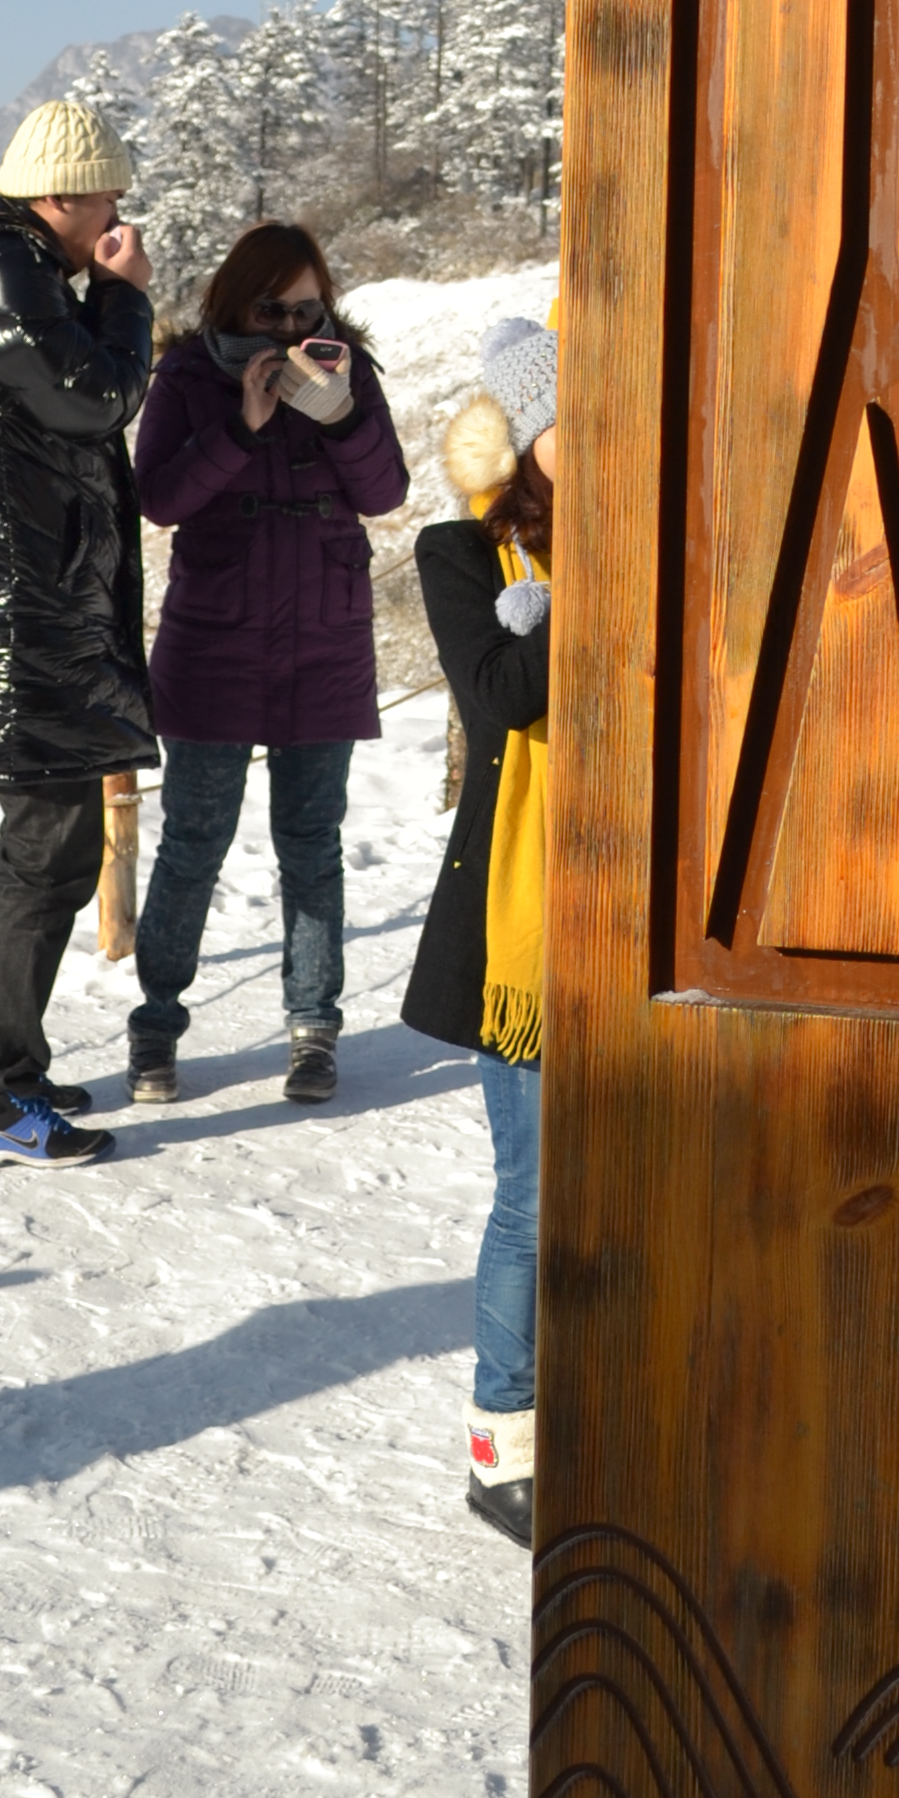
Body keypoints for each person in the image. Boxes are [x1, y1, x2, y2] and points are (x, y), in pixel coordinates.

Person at [0, 96, 156, 1165]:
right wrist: (128, 298)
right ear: (59, 194)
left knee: (52, 841)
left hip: (31, 601)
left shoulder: (8, 269)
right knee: (48, 846)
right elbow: (98, 399)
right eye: (106, 196)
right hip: (18, 613)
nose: (117, 212)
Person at [123, 221, 408, 1110]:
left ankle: (312, 1029)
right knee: (193, 845)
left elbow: (386, 493)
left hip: (325, 638)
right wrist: (243, 429)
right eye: (272, 307)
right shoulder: (189, 375)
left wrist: (344, 417)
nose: (291, 326)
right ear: (233, 303)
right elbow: (160, 498)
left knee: (312, 846)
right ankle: (156, 1027)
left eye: (307, 306)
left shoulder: (346, 372)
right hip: (216, 639)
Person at [406, 313, 557, 1547]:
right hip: (528, 930)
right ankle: (501, 1443)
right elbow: (504, 695)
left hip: (644, 915)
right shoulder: (463, 556)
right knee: (540, 1194)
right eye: (570, 426)